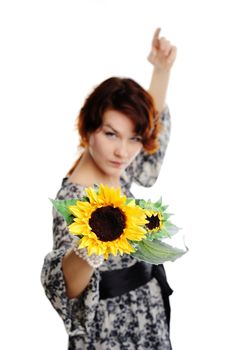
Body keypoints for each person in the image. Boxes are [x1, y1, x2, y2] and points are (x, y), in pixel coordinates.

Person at [41, 28, 177, 350]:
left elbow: (149, 130)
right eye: (111, 134)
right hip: (112, 333)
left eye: (133, 138)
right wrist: (95, 238)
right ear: (88, 129)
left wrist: (161, 69)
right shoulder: (74, 200)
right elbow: (67, 286)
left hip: (148, 318)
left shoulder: (115, 170)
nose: (123, 152)